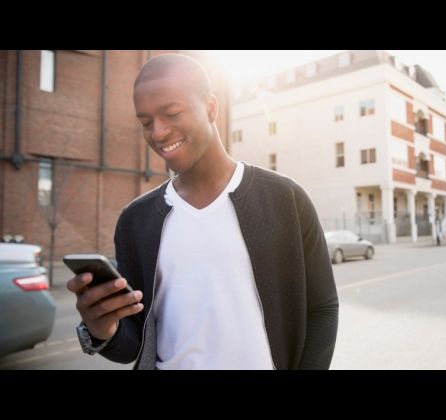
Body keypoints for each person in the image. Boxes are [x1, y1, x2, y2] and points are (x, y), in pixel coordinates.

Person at [66, 54, 339, 370]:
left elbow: (323, 309)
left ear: (211, 107)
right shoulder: (135, 221)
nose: (157, 132)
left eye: (171, 113)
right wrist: (103, 329)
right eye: (145, 122)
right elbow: (131, 347)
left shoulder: (285, 199)